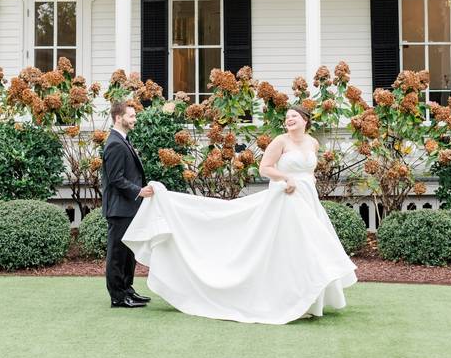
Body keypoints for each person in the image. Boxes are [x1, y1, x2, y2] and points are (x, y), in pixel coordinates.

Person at [122, 105, 357, 325]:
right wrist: (286, 179)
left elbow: (310, 171)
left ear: (305, 120)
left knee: (310, 248)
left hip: (308, 199)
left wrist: (309, 184)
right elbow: (265, 168)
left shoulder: (313, 143)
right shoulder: (280, 141)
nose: (289, 120)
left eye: (294, 116)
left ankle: (314, 300)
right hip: (287, 200)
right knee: (289, 248)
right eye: (286, 118)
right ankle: (289, 299)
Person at [101, 101, 154, 309]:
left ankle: (127, 289)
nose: (134, 120)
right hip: (119, 209)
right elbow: (116, 178)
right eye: (131, 116)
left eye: (134, 116)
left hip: (129, 207)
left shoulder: (123, 140)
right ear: (118, 118)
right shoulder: (114, 143)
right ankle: (118, 296)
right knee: (117, 254)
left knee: (128, 253)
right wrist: (138, 191)